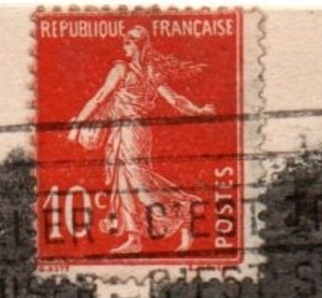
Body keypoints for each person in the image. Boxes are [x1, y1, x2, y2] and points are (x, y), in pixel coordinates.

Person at [67, 26, 214, 255]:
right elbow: (99, 98)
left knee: (139, 183)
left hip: (134, 130)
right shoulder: (127, 69)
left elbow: (173, 99)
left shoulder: (139, 71)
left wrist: (198, 110)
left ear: (139, 45)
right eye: (124, 42)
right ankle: (134, 238)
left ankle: (186, 208)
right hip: (122, 131)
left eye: (128, 42)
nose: (124, 46)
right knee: (123, 184)